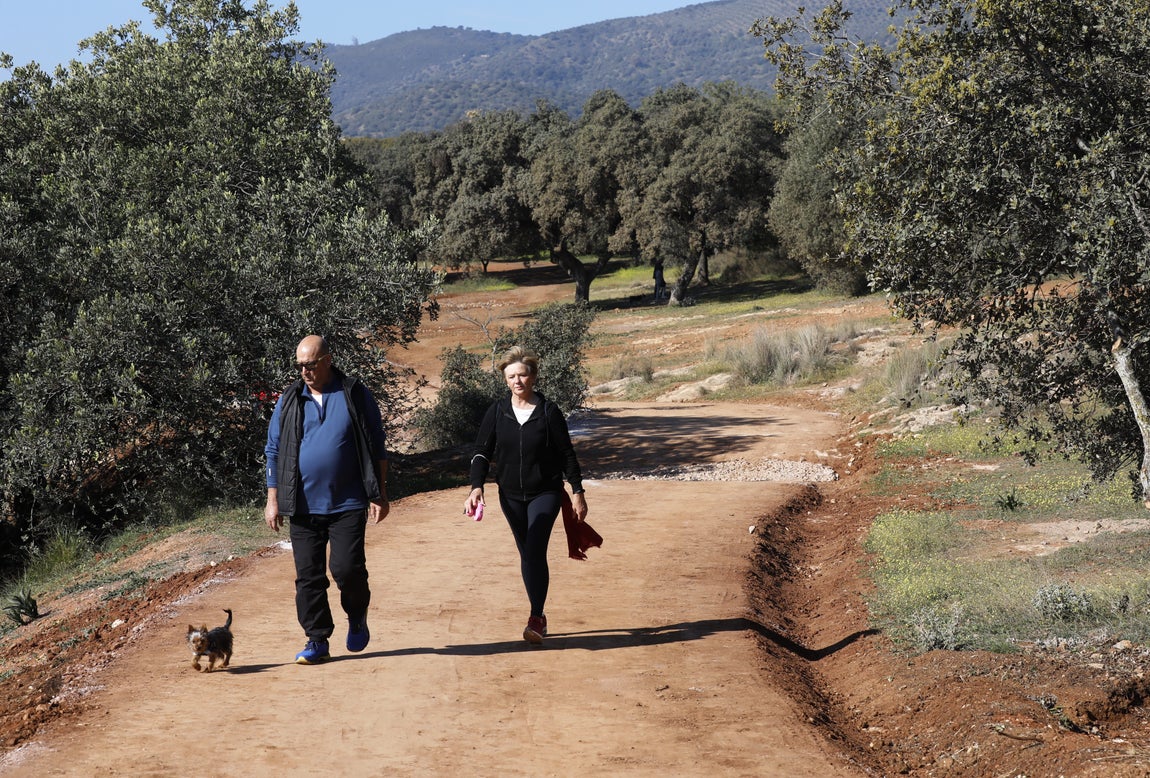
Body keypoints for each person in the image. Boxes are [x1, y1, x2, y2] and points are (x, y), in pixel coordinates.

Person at [264, 335, 390, 665]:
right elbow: (273, 450)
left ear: (328, 360)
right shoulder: (290, 399)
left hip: (347, 501)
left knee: (346, 569)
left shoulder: (353, 393)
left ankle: (357, 613)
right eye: (300, 365)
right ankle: (317, 639)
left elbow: (376, 444)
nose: (305, 371)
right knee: (309, 576)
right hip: (302, 505)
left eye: (311, 364)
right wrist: (272, 498)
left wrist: (379, 493)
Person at [464, 346, 589, 644]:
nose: (517, 381)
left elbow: (566, 454)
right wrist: (476, 486)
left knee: (534, 548)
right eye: (511, 376)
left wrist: (577, 491)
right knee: (527, 554)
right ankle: (539, 616)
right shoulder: (497, 412)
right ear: (505, 380)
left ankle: (536, 617)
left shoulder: (549, 412)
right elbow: (482, 452)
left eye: (522, 375)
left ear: (533, 377)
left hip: (544, 492)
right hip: (510, 495)